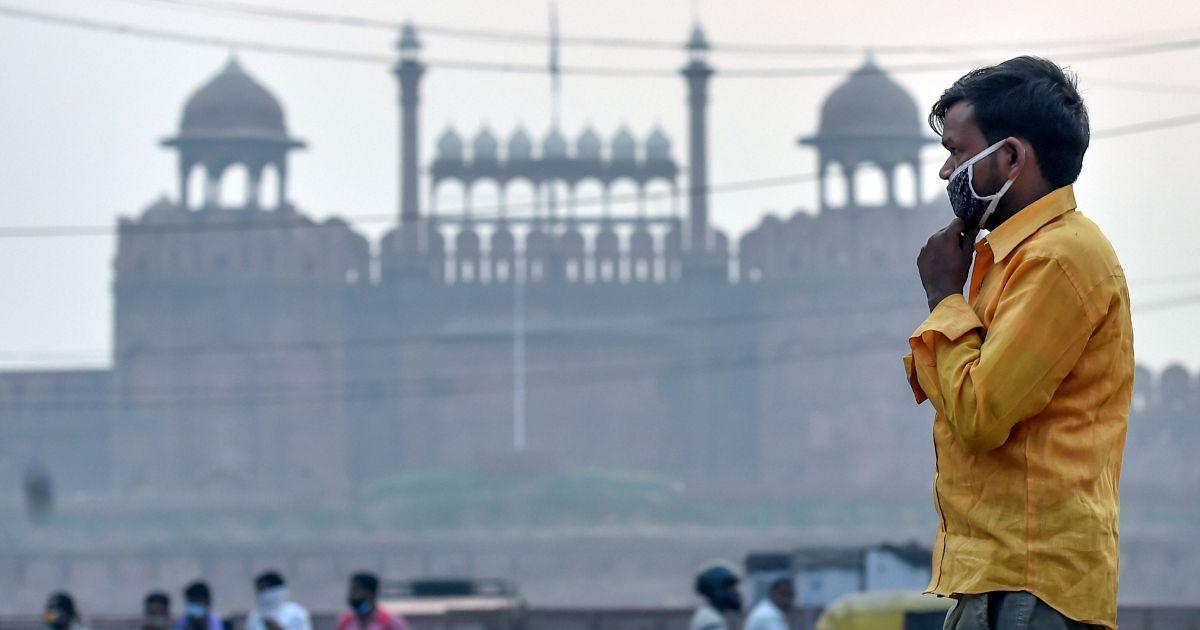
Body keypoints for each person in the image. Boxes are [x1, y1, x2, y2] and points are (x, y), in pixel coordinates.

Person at [905, 56, 1132, 630]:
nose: (947, 172)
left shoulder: (1059, 259)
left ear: (1010, 157)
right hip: (1004, 581)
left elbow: (979, 413)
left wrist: (943, 298)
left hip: (1030, 584)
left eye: (958, 152)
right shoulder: (1013, 259)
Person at [336, 572, 407, 630]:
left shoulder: (390, 622)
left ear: (370, 593)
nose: (352, 595)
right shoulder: (345, 622)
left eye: (355, 590)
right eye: (351, 591)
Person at [244, 571, 312, 630]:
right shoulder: (255, 616)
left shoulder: (296, 612)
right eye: (259, 590)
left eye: (264, 589)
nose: (261, 594)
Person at [689, 565, 742, 630]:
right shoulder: (709, 620)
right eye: (732, 588)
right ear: (719, 590)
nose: (737, 593)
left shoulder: (709, 615)